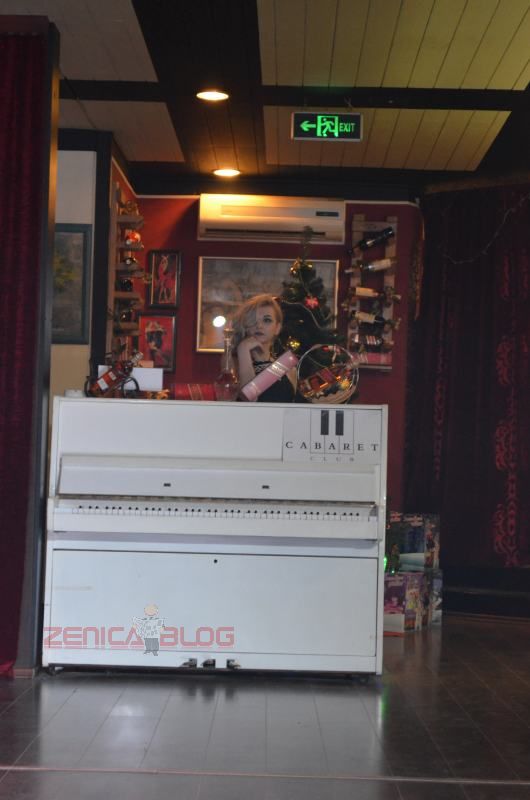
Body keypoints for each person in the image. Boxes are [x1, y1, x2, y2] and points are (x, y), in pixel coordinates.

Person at [232, 294, 296, 402]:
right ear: (245, 326)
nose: (259, 326)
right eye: (253, 320)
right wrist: (243, 350)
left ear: (277, 328)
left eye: (267, 320)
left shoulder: (288, 368)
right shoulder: (232, 364)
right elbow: (248, 401)